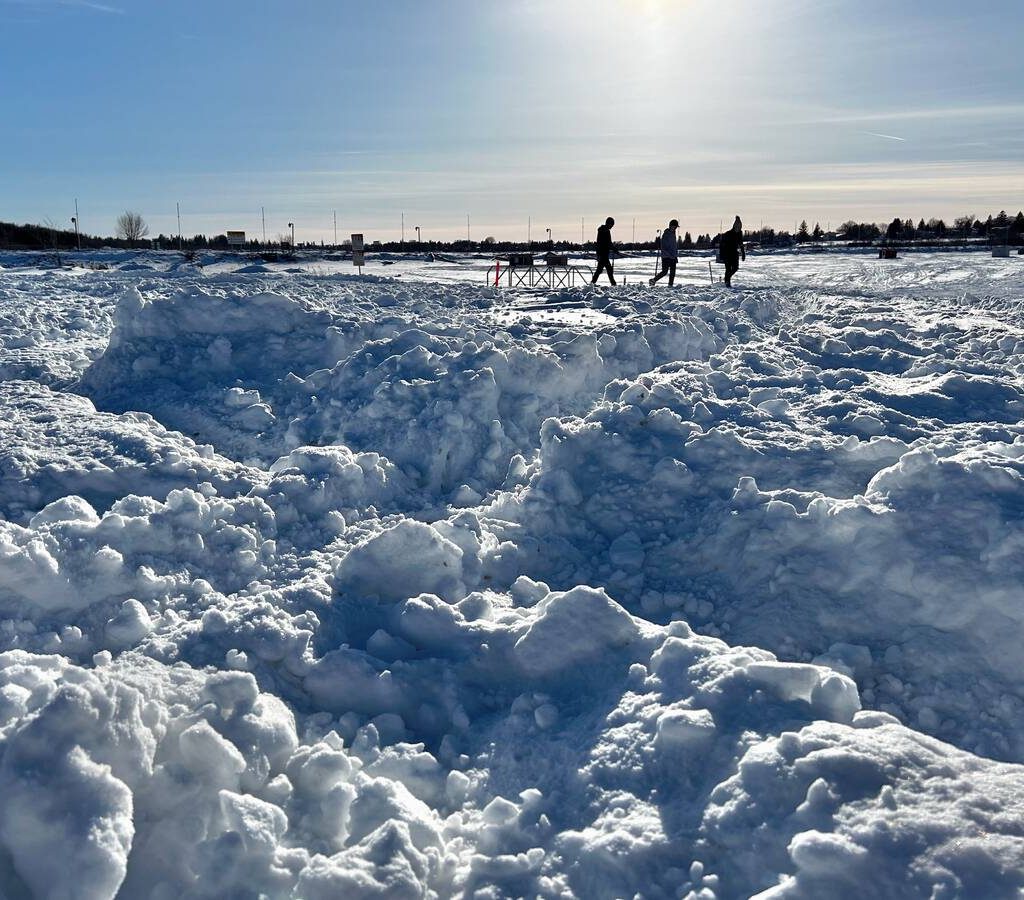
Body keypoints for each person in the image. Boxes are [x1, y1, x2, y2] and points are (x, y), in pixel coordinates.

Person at [650, 219, 680, 286]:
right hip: (666, 256)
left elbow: (674, 246)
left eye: (676, 227)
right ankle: (653, 280)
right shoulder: (666, 234)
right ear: (670, 226)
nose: (675, 228)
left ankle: (670, 285)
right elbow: (664, 247)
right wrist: (669, 255)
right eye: (674, 227)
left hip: (673, 256)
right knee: (664, 272)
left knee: (673, 273)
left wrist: (675, 256)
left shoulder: (673, 234)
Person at [719, 215, 745, 287]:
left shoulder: (739, 234)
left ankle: (727, 278)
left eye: (740, 227)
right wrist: (721, 255)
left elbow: (741, 243)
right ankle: (727, 283)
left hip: (734, 253)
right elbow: (722, 245)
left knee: (735, 268)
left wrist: (743, 253)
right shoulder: (728, 234)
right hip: (727, 253)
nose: (738, 228)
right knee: (728, 268)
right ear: (734, 226)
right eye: (737, 227)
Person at [591, 217, 616, 285]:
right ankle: (613, 284)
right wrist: (614, 248)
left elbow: (607, 243)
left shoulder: (603, 230)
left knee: (600, 270)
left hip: (602, 253)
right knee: (608, 269)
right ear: (608, 223)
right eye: (611, 225)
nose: (612, 226)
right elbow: (607, 242)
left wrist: (613, 248)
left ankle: (592, 283)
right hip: (603, 253)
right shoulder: (605, 231)